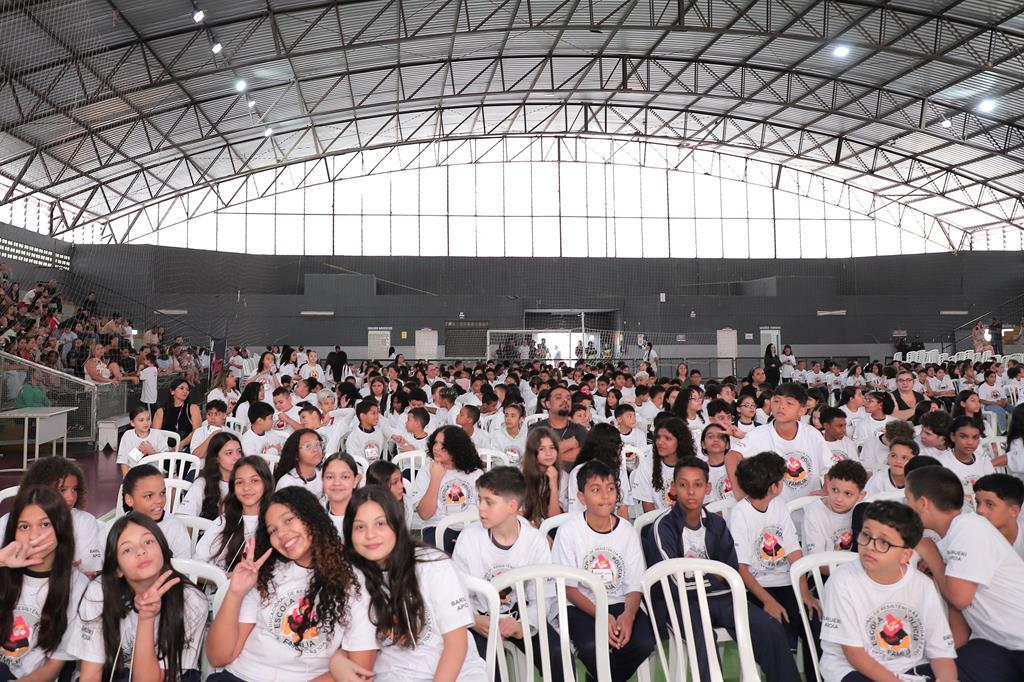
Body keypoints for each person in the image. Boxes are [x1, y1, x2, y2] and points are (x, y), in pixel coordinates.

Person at [642, 456, 802, 682]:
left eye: (697, 485)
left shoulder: (717, 524)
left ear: (707, 488)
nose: (690, 491)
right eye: (683, 484)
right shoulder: (663, 527)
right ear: (673, 488)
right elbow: (674, 581)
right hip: (681, 603)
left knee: (770, 628)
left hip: (723, 599)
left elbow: (730, 570)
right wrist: (714, 575)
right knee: (703, 636)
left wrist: (711, 576)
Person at [206, 487, 376, 682]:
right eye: (273, 530)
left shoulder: (355, 581)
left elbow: (358, 671)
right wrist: (235, 594)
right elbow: (218, 657)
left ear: (311, 516)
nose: (282, 534)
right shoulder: (266, 573)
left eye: (288, 520)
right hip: (241, 676)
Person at [343, 486, 488, 680]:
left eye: (380, 524)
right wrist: (337, 660)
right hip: (395, 675)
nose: (370, 535)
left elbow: (456, 645)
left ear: (397, 524)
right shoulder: (354, 577)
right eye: (360, 527)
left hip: (456, 674)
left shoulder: (434, 565)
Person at [906, 466, 1024, 682]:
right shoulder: (954, 535)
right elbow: (957, 608)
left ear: (923, 503)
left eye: (908, 499)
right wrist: (950, 658)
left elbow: (960, 598)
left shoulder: (968, 527)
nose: (906, 507)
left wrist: (930, 553)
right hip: (998, 647)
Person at [819, 501, 957, 682]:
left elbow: (940, 651)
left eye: (884, 542)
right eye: (866, 535)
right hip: (851, 668)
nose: (870, 546)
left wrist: (948, 679)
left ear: (905, 555)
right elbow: (854, 655)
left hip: (910, 667)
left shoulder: (922, 585)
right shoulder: (843, 580)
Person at [452, 467, 563, 681]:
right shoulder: (469, 538)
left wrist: (525, 624)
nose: (481, 508)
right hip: (481, 620)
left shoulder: (535, 541)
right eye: (479, 500)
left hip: (522, 616)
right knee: (485, 664)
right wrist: (474, 620)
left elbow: (543, 595)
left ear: (512, 506)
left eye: (489, 502)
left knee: (557, 655)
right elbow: (457, 593)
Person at [68, 513, 207, 682]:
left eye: (148, 542)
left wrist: (146, 618)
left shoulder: (191, 600)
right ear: (117, 569)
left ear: (163, 549)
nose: (141, 551)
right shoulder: (99, 592)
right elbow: (91, 674)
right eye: (127, 549)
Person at [552, 460, 656, 682]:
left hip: (620, 602)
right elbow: (569, 589)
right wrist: (602, 615)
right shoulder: (569, 532)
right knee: (591, 645)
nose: (605, 496)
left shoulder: (626, 531)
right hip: (581, 604)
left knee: (643, 643)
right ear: (581, 498)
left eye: (610, 488)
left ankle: (597, 678)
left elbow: (635, 583)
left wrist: (628, 616)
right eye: (596, 490)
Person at [727, 451, 821, 674]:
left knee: (814, 618)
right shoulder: (740, 513)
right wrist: (768, 601)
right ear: (774, 486)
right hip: (755, 589)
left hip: (785, 582)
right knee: (772, 627)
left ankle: (817, 676)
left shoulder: (778, 505)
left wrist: (804, 592)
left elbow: (794, 552)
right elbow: (741, 569)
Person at [0, 485, 87, 680]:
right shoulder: (3, 569)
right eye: (24, 526)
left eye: (45, 524)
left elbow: (53, 667)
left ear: (60, 526)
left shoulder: (77, 587)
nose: (34, 535)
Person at [727, 382, 832, 502]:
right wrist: (741, 494)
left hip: (809, 511)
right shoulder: (759, 434)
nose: (781, 406)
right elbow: (732, 457)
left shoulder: (812, 434)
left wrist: (826, 489)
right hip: (774, 514)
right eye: (776, 401)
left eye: (789, 403)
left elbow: (830, 467)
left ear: (802, 410)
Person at [0, 457, 103, 574]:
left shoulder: (84, 521)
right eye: (62, 490)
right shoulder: (8, 520)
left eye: (74, 489)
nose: (71, 497)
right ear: (40, 489)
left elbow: (89, 569)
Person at [412, 425, 485, 552]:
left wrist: (466, 537)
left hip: (471, 528)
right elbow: (424, 514)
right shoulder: (427, 471)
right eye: (435, 442)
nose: (436, 448)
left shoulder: (476, 474)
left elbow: (483, 511)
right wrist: (436, 479)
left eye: (443, 446)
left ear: (456, 449)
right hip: (437, 527)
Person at [194, 457, 272, 571]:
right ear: (233, 488)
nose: (246, 487)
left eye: (254, 480)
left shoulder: (276, 523)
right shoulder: (224, 522)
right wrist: (225, 578)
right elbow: (197, 566)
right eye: (239, 482)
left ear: (266, 483)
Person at [117, 465, 192, 559]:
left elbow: (184, 569)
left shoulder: (175, 528)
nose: (159, 500)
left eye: (162, 493)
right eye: (149, 496)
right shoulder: (113, 530)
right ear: (129, 499)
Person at [562, 423, 633, 517]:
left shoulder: (619, 470)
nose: (619, 450)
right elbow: (576, 512)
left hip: (614, 525)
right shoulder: (578, 472)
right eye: (617, 445)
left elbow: (623, 508)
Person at [802, 460, 867, 556]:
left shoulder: (863, 511)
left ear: (861, 495)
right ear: (827, 485)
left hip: (857, 568)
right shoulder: (814, 512)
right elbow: (818, 563)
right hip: (822, 569)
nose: (839, 499)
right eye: (835, 490)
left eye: (848, 494)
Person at [631, 417, 695, 513]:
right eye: (658, 437)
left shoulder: (694, 464)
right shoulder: (647, 465)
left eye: (667, 438)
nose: (660, 442)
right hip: (658, 522)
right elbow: (648, 505)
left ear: (680, 441)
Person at [176, 431, 242, 519]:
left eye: (239, 451)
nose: (237, 457)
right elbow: (184, 516)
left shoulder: (247, 482)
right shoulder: (203, 483)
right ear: (216, 458)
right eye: (229, 453)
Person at [529, 385, 588, 466]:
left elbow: (583, 457)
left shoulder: (580, 430)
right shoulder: (536, 428)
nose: (565, 400)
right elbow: (533, 457)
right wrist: (568, 444)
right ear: (548, 404)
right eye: (558, 397)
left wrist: (548, 455)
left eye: (568, 398)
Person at [973, 473, 1024, 560]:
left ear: (1014, 511)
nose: (979, 510)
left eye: (989, 504)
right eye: (978, 503)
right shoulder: (973, 537)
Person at [520, 426, 563, 527]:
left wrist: (553, 485)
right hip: (525, 526)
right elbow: (516, 513)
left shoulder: (563, 476)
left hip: (550, 527)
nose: (548, 453)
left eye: (552, 448)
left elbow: (555, 519)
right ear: (533, 452)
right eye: (542, 449)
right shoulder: (519, 474)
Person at [116, 405, 172, 476]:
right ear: (132, 423)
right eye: (141, 420)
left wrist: (151, 452)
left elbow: (166, 459)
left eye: (148, 419)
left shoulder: (157, 434)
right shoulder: (127, 435)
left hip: (155, 474)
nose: (146, 423)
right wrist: (126, 478)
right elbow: (123, 460)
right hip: (134, 473)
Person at [152, 378, 202, 451]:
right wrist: (166, 448)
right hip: (164, 448)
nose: (185, 391)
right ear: (172, 391)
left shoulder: (193, 408)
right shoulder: (161, 411)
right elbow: (155, 434)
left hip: (186, 447)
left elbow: (197, 431)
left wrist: (182, 444)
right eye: (181, 388)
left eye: (187, 389)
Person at [273, 429, 324, 498]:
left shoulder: (325, 474)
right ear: (296, 454)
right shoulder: (287, 483)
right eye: (308, 446)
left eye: (317, 444)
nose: (315, 449)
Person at [321, 452, 361, 536]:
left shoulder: (366, 515)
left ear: (355, 481)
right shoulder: (314, 515)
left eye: (345, 477)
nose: (337, 483)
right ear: (322, 480)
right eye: (330, 477)